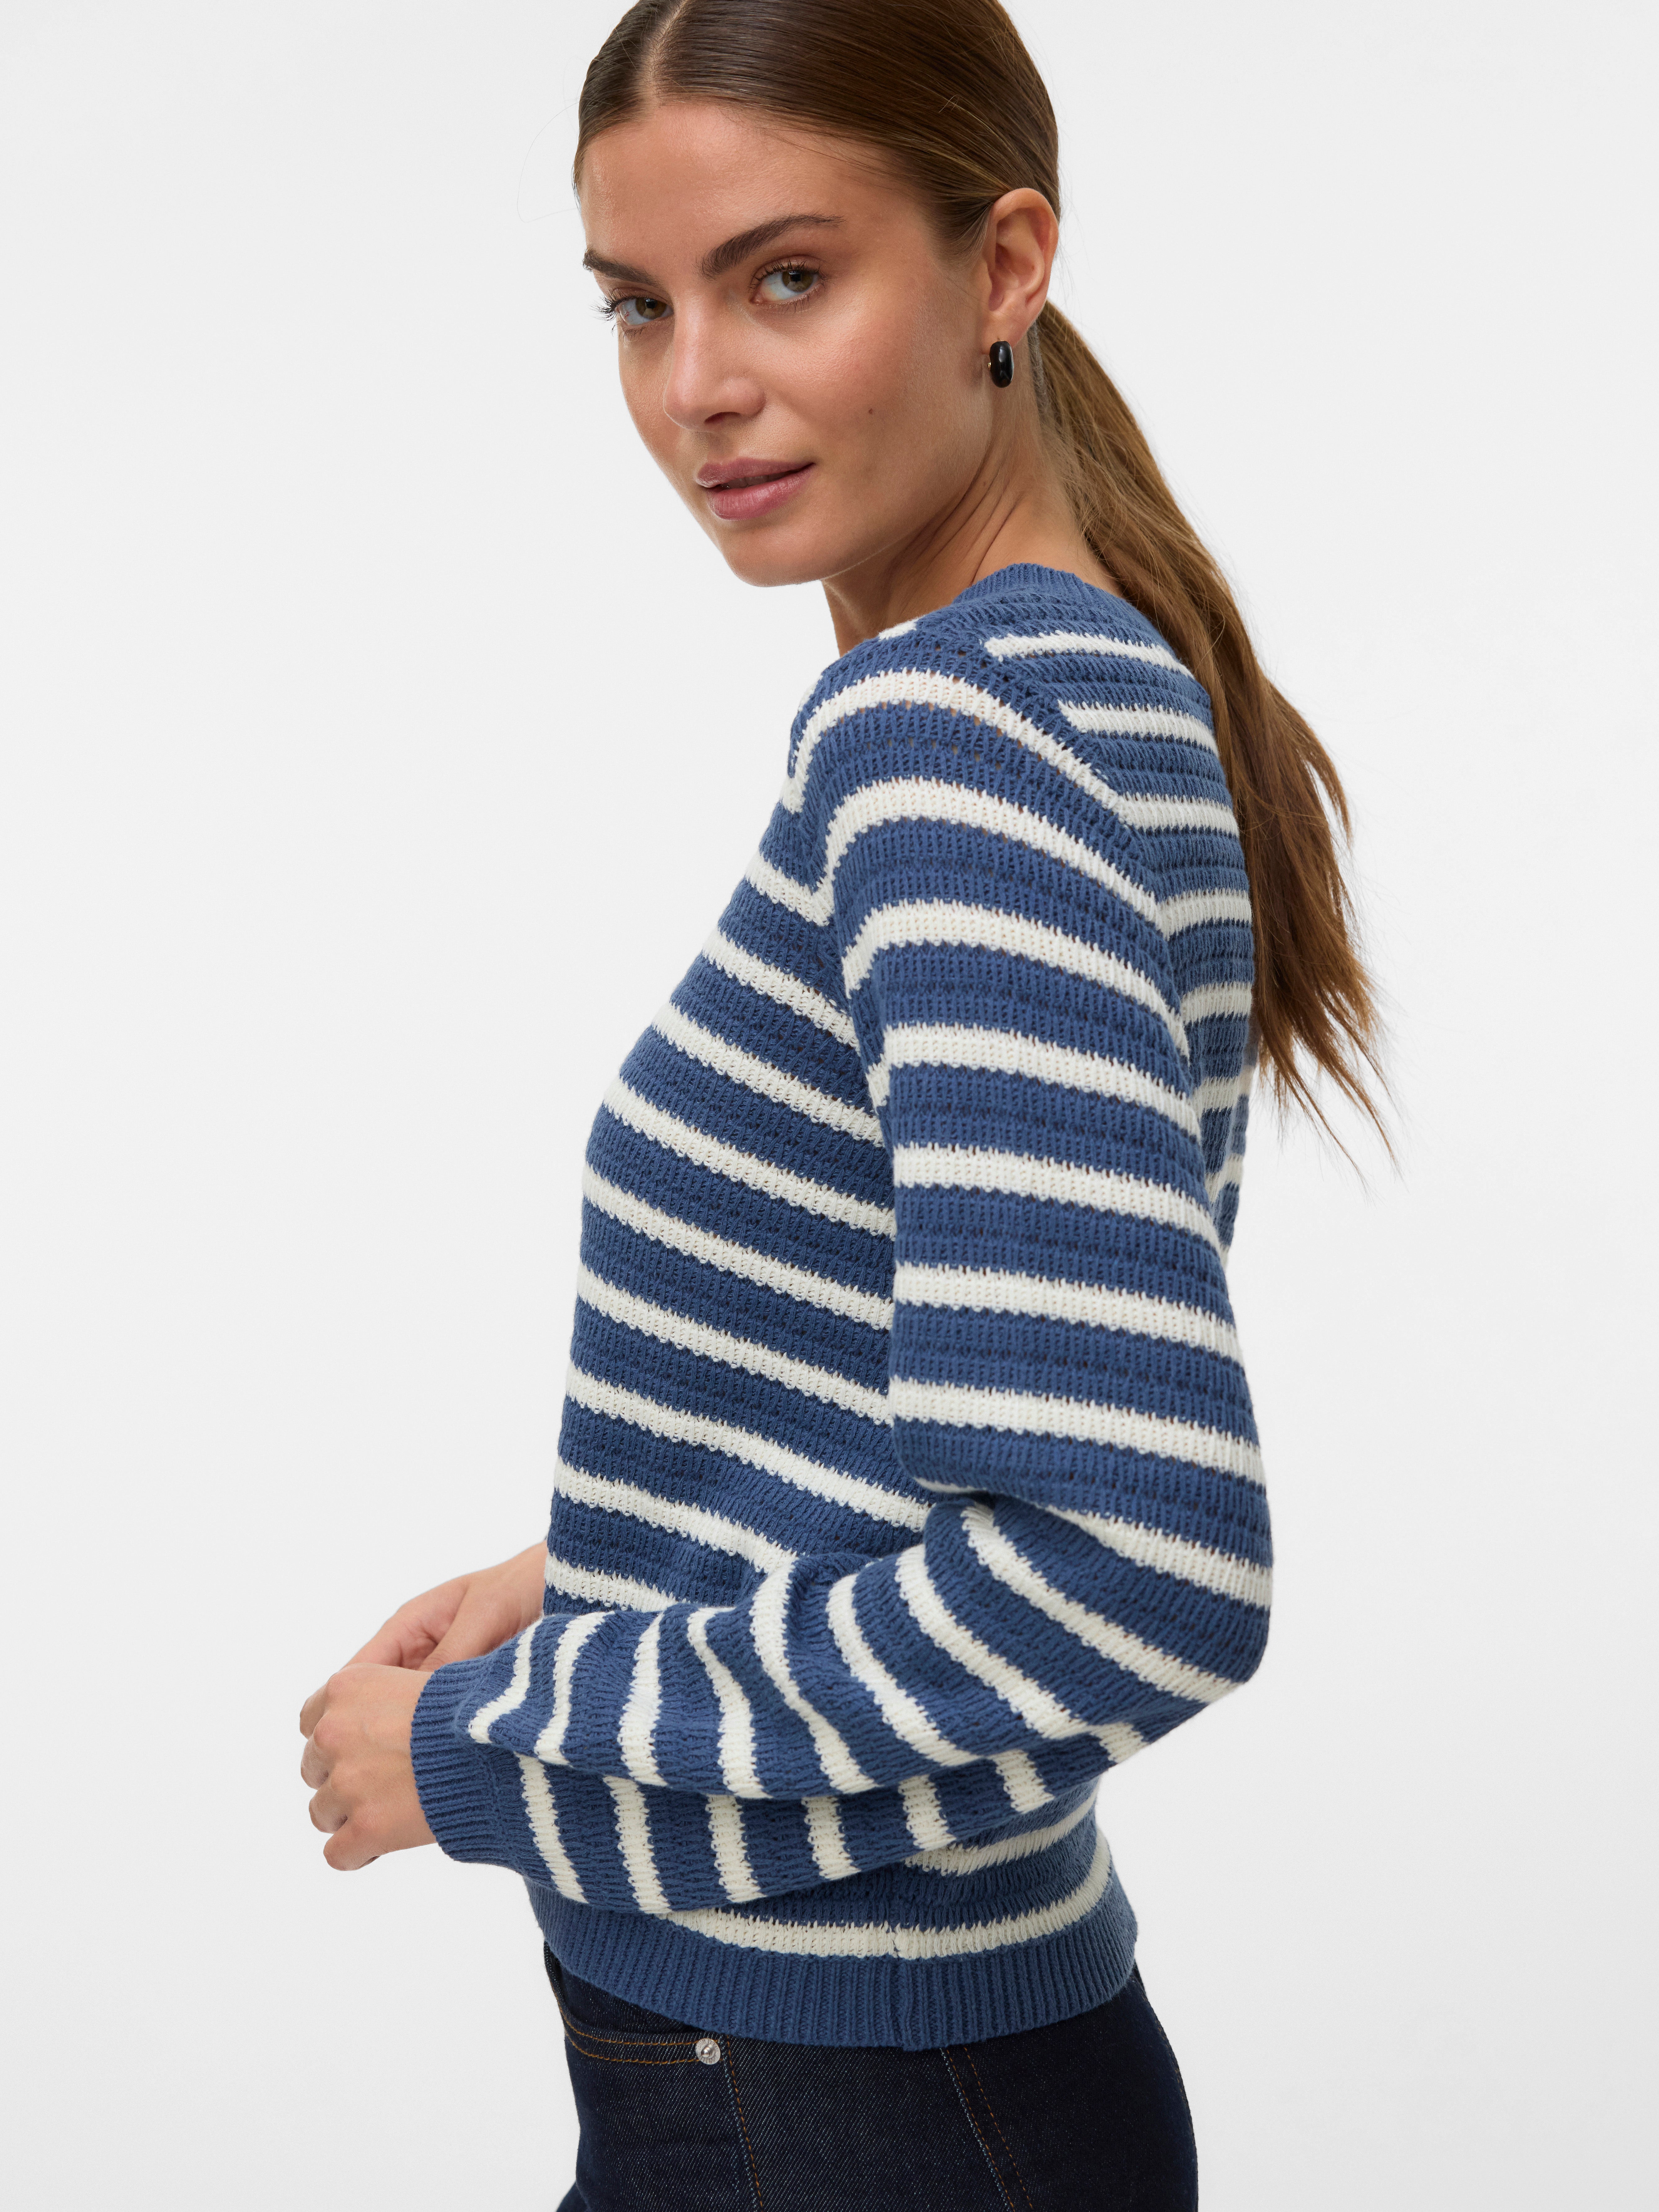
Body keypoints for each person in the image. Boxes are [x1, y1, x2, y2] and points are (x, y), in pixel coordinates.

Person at [299, 2, 1381, 2202]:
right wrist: (609, 1575)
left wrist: (499, 1745)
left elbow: (1130, 1572)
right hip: (880, 2082)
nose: (697, 385)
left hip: (845, 2110)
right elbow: (953, 1394)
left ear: (1003, 266)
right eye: (638, 306)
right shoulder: (1075, 681)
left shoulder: (947, 742)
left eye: (785, 278)